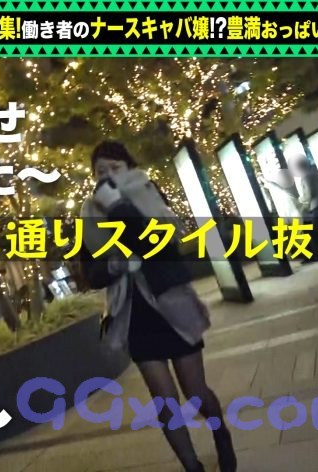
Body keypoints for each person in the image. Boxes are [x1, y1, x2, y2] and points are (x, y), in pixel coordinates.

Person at [79, 140, 237, 472]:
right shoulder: (89, 213)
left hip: (172, 304)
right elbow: (90, 272)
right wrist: (114, 266)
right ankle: (192, 466)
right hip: (134, 314)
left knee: (195, 392)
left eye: (114, 168)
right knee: (165, 401)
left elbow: (156, 242)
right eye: (100, 171)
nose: (107, 176)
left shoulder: (149, 194)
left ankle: (220, 433)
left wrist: (118, 205)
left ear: (130, 168)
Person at [288, 154, 318, 262]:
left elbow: (309, 193)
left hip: (315, 206)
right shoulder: (314, 172)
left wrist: (301, 199)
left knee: (317, 231)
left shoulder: (305, 176)